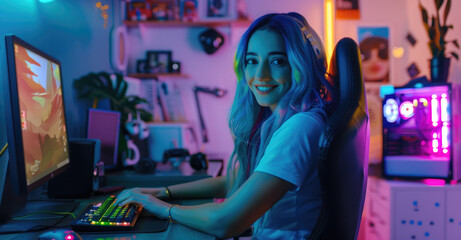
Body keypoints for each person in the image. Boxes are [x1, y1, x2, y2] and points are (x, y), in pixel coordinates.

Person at [114, 12, 335, 239]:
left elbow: (225, 222)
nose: (260, 75)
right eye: (252, 61)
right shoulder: (288, 119)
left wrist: (161, 209)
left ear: (301, 64)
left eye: (277, 61)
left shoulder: (300, 127)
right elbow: (242, 178)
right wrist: (164, 192)